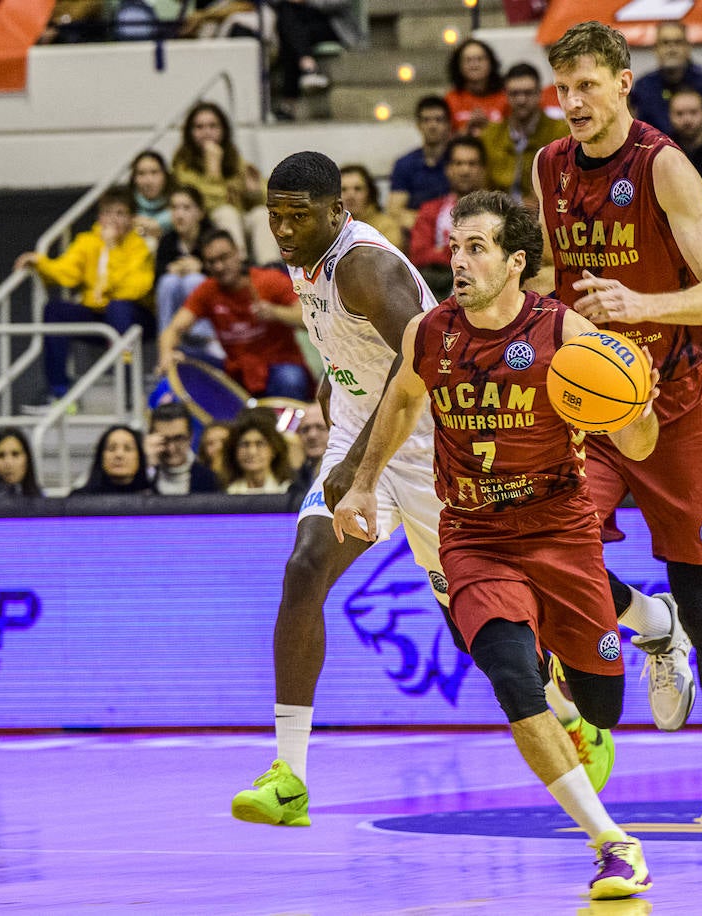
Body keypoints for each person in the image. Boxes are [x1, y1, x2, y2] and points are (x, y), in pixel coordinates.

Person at [333, 189, 659, 900]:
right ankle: (612, 844)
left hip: (559, 525)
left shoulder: (566, 332)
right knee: (512, 678)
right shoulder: (428, 332)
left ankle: (656, 626)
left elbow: (637, 442)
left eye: (476, 248)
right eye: (454, 246)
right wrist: (363, 484)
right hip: (474, 531)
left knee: (602, 706)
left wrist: (636, 404)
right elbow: (400, 403)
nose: (459, 260)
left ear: (517, 263)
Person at [536, 21, 702, 865]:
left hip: (672, 404)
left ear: (625, 83)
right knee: (556, 560)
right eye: (562, 90)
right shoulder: (550, 168)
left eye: (587, 87)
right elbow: (548, 281)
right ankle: (649, 626)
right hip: (591, 405)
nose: (572, 106)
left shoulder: (664, 164)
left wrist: (641, 306)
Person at [228, 150, 453, 828]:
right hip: (363, 422)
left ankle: (580, 695)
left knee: (477, 630)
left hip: (432, 440)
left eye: (299, 216)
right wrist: (334, 376)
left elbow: (422, 364)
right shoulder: (308, 260)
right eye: (275, 217)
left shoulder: (365, 265)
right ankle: (289, 776)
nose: (285, 229)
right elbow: (360, 346)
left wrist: (359, 466)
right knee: (304, 570)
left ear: (339, 212)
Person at [14, 184, 155, 405]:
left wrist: (112, 250)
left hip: (136, 318)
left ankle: (128, 389)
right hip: (99, 313)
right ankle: (58, 391)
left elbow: (135, 288)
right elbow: (66, 272)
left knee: (118, 307)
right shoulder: (87, 241)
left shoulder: (139, 246)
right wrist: (39, 262)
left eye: (120, 214)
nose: (113, 219)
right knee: (55, 310)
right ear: (99, 216)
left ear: (131, 218)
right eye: (108, 213)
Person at [157, 229, 314, 401]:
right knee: (179, 359)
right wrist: (166, 356)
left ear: (238, 253)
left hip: (279, 364)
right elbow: (173, 329)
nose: (219, 266)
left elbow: (309, 320)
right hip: (235, 369)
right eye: (211, 262)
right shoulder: (208, 290)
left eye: (224, 257)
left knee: (290, 379)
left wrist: (275, 312)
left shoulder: (269, 280)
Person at [171, 102, 280, 265]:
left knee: (260, 214)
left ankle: (272, 268)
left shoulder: (233, 157)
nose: (207, 132)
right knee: (226, 212)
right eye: (199, 127)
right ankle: (238, 266)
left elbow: (264, 197)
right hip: (206, 225)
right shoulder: (182, 165)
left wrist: (255, 193)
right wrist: (213, 169)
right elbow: (209, 204)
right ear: (190, 132)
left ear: (223, 130)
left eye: (213, 126)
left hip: (239, 217)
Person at [409, 136, 488, 299]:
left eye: (472, 164)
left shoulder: (499, 210)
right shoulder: (430, 209)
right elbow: (419, 255)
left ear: (483, 169)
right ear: (448, 169)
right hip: (439, 285)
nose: (465, 170)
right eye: (458, 163)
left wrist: (444, 251)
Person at [480, 62, 569, 204]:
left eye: (528, 93)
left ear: (540, 94)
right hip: (499, 215)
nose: (521, 100)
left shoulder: (561, 132)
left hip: (547, 212)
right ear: (506, 95)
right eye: (515, 93)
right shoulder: (490, 135)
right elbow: (483, 185)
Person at [630, 20, 702, 137]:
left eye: (678, 42)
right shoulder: (643, 86)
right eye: (665, 43)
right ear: (655, 49)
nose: (672, 48)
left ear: (688, 47)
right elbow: (640, 128)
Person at [154, 186, 216, 337]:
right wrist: (170, 268)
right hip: (175, 305)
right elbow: (156, 276)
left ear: (200, 212)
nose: (179, 214)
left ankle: (202, 337)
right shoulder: (167, 240)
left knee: (193, 280)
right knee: (168, 282)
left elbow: (225, 272)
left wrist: (202, 268)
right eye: (174, 208)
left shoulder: (212, 237)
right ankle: (166, 335)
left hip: (213, 307)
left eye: (186, 208)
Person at [387, 96, 453, 236]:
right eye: (426, 120)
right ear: (418, 125)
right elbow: (395, 211)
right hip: (417, 233)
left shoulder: (460, 161)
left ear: (449, 124)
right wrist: (432, 223)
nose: (432, 125)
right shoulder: (404, 164)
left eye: (438, 120)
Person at [144, 401, 219, 495]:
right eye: (164, 440)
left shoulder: (210, 479)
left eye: (179, 439)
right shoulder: (143, 477)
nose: (171, 448)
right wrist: (148, 466)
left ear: (191, 437)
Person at [445, 39, 508, 138]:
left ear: (491, 63)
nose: (474, 65)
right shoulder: (450, 99)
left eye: (480, 59)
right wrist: (468, 127)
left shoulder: (505, 98)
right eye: (468, 60)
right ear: (459, 66)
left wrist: (489, 125)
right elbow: (444, 141)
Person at [221, 407, 293, 494]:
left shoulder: (289, 491)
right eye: (244, 444)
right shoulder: (225, 494)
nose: (252, 452)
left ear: (274, 449)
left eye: (260, 444)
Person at [71, 426, 153, 497]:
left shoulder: (154, 498)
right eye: (111, 448)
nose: (119, 455)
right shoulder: (79, 500)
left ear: (140, 456)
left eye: (128, 448)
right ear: (101, 456)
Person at [340, 164, 405, 251]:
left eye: (358, 189)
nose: (351, 195)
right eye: (343, 189)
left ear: (370, 193)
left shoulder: (387, 226)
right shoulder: (329, 229)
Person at [0, 428, 44, 499]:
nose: (8, 463)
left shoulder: (39, 497)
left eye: (15, 454)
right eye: (0, 455)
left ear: (27, 459)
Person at [128, 150, 174, 243]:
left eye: (154, 172)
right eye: (141, 173)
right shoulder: (125, 202)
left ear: (165, 175)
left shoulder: (178, 198)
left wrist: (159, 225)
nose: (148, 181)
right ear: (134, 178)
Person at [288, 401, 328, 496]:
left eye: (320, 427)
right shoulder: (295, 479)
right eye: (305, 429)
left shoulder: (349, 474)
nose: (312, 435)